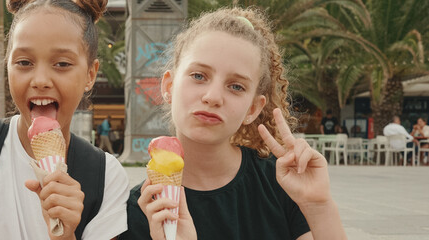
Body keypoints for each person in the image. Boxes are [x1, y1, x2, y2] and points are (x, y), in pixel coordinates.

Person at [120, 8, 346, 239]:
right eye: (199, 76)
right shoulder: (143, 209)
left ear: (253, 109)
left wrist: (319, 205)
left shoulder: (282, 183)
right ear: (169, 87)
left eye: (236, 86)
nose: (213, 97)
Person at [0, 0, 129, 239]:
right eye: (24, 62)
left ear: (90, 74)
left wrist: (65, 236)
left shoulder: (106, 176)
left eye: (62, 64)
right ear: (7, 66)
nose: (40, 80)